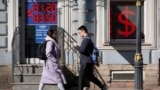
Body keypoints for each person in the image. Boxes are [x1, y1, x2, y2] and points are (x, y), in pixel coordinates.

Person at [73, 25, 107, 90]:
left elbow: (82, 50)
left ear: (83, 31)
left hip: (86, 62)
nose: (79, 34)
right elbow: (84, 50)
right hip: (88, 61)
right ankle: (102, 86)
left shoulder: (86, 40)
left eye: (80, 32)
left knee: (81, 78)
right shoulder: (88, 39)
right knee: (90, 76)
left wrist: (76, 46)